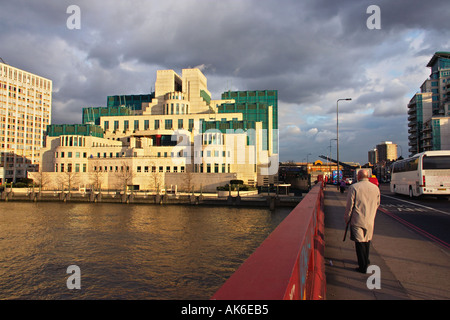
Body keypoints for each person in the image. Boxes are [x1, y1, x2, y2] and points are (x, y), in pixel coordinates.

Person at [344, 169, 380, 273]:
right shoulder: (375, 188)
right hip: (370, 219)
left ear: (358, 177)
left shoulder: (354, 187)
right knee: (367, 241)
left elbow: (349, 206)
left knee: (359, 243)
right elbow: (377, 203)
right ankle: (366, 261)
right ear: (367, 176)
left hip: (357, 219)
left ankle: (362, 266)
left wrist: (347, 218)